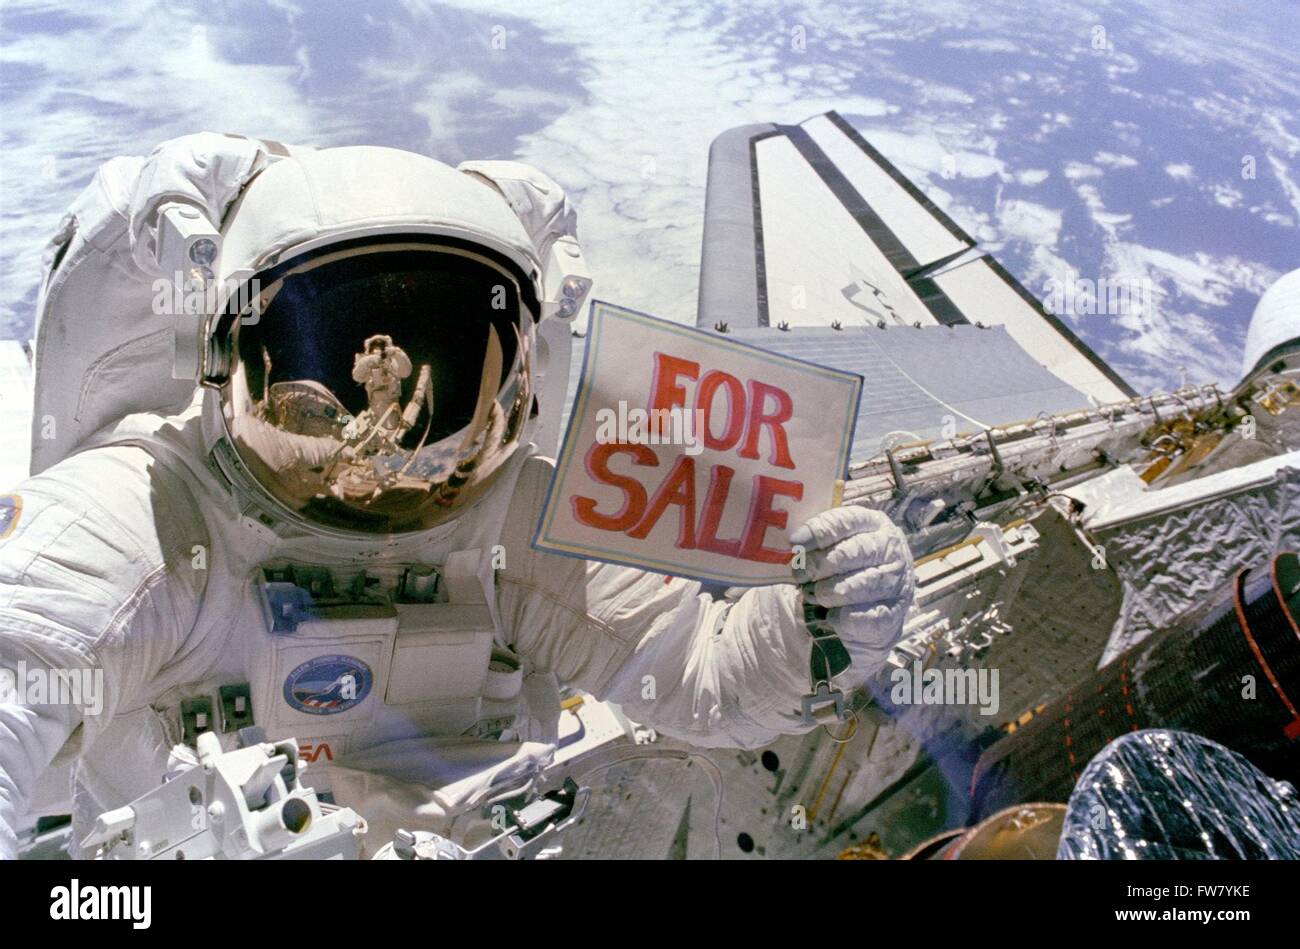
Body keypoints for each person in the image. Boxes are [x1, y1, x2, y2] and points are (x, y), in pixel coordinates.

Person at [0, 133, 915, 859]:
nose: (382, 468)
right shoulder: (151, 521)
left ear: (524, 376)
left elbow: (703, 684)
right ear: (217, 362)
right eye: (337, 362)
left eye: (439, 373)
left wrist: (816, 623)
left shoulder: (509, 524)